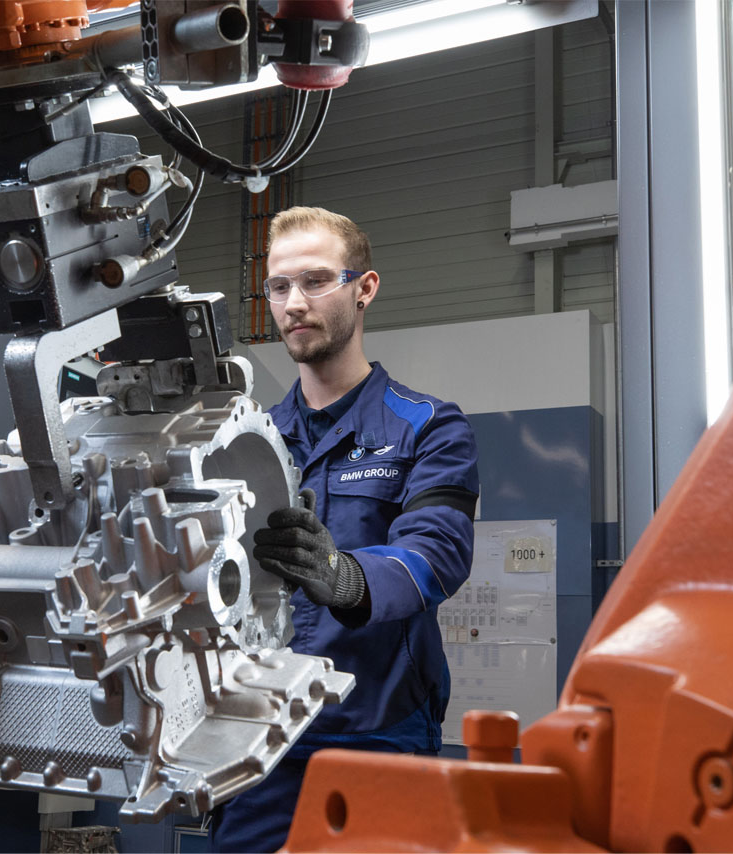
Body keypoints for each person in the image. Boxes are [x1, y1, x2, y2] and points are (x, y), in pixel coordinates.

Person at [210, 207, 479, 852]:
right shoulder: (247, 443)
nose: (294, 303)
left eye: (316, 281)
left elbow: (438, 552)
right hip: (259, 736)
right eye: (279, 286)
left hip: (376, 730)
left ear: (365, 288)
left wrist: (348, 577)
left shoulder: (428, 427)